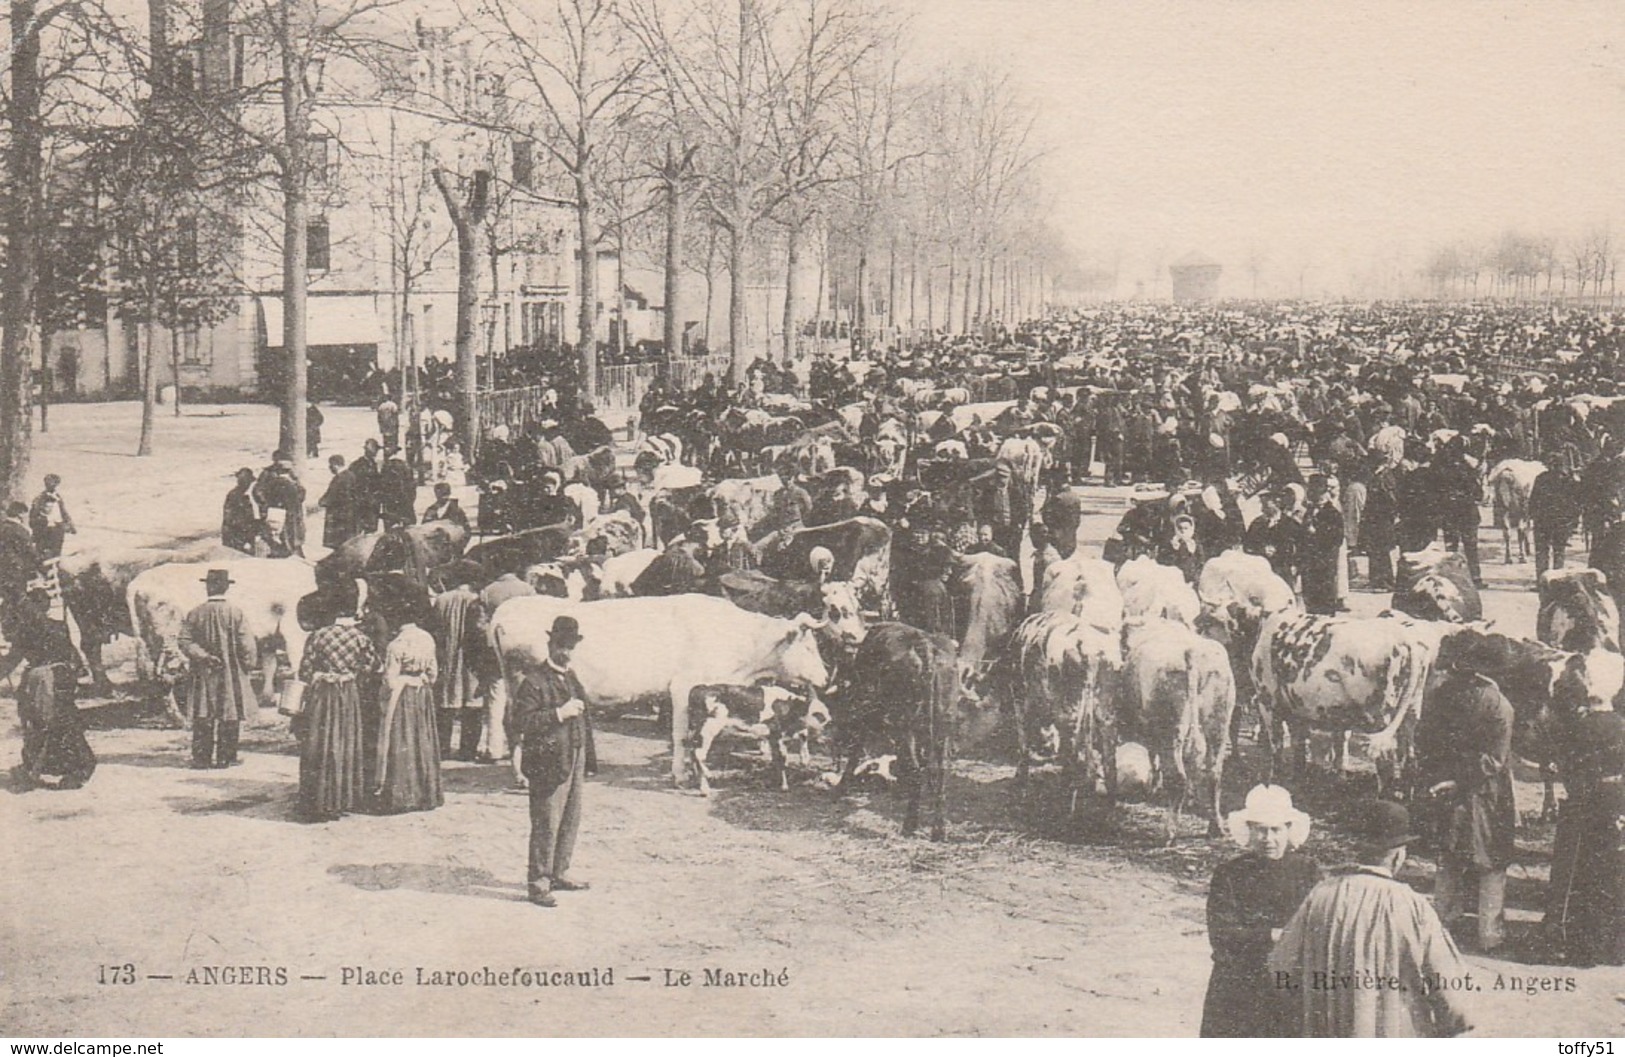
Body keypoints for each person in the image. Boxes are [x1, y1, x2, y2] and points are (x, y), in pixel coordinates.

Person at [1269, 800, 1477, 1038]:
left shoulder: (1319, 895)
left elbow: (1279, 967)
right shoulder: (1412, 905)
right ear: (1398, 856)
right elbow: (1454, 996)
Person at [1416, 637, 1516, 952]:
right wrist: (1462, 780)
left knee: (1448, 856)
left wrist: (1441, 777)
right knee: (1491, 861)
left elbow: (1424, 740)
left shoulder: (1440, 693)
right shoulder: (1498, 704)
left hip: (1443, 787)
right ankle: (1490, 934)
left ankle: (1441, 924)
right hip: (1486, 792)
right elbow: (1493, 759)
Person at [1200, 785, 1320, 1038]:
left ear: (1288, 830)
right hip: (1239, 982)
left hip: (1288, 982)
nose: (1268, 839)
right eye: (1261, 831)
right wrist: (1272, 935)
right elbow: (1221, 933)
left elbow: (1318, 925)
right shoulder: (1230, 873)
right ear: (1250, 831)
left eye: (1275, 830)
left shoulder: (1307, 871)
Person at [511, 615, 593, 907]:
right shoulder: (534, 681)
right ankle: (539, 883)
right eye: (561, 645)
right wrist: (559, 713)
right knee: (546, 821)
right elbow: (521, 721)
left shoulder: (571, 677)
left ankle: (560, 872)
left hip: (573, 757)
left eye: (570, 646)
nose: (566, 652)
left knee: (570, 818)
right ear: (550, 644)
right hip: (548, 762)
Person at [1541, 687, 1624, 966]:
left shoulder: (1578, 726)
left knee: (1575, 872)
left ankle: (1575, 944)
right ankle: (1613, 947)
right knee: (1612, 874)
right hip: (1615, 802)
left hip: (1581, 802)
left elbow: (1562, 764)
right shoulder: (1621, 725)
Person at [295, 580, 376, 822]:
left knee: (319, 743)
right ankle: (342, 799)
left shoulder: (319, 635)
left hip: (322, 695)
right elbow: (372, 666)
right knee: (346, 742)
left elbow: (305, 670)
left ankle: (317, 799)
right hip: (347, 693)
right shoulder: (361, 638)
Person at [15, 582, 95, 790]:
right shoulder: (53, 626)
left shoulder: (42, 628)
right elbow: (72, 653)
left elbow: (13, 658)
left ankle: (76, 768)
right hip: (51, 678)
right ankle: (42, 766)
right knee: (48, 723)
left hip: (52, 679)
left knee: (56, 723)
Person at [178, 569, 258, 769]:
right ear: (226, 587)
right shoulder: (235, 612)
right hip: (230, 673)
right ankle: (226, 758)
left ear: (208, 586)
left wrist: (203, 656)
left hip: (203, 672)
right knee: (229, 713)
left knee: (203, 712)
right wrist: (247, 666)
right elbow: (247, 644)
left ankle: (201, 759)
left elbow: (184, 641)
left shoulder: (195, 612)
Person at [372, 599, 443, 814]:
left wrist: (383, 700)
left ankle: (402, 794)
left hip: (402, 693)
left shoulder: (396, 645)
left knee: (401, 739)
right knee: (422, 738)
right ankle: (426, 791)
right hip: (421, 691)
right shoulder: (427, 638)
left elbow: (389, 678)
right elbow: (433, 672)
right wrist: (423, 682)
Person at [431, 569, 483, 761]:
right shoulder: (476, 599)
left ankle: (442, 748)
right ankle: (467, 751)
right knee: (473, 704)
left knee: (445, 701)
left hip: (447, 654)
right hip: (471, 658)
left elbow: (435, 627)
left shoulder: (441, 599)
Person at [1529, 453, 1584, 577]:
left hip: (1543, 521)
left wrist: (1532, 515)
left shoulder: (1541, 478)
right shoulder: (1570, 480)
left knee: (1542, 551)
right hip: (1562, 521)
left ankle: (1542, 580)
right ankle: (1556, 580)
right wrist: (1574, 521)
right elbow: (1577, 503)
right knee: (1559, 551)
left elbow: (1533, 500)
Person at [1300, 475, 1345, 615]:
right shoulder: (1309, 511)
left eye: (1314, 491)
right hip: (1309, 562)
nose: (1310, 493)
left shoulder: (1333, 513)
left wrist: (1317, 533)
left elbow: (1337, 538)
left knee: (1324, 597)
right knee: (1310, 598)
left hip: (1324, 563)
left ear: (1322, 491)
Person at [253, 450, 306, 557]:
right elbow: (257, 491)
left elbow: (301, 491)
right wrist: (266, 505)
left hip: (292, 510)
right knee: (278, 534)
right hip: (276, 511)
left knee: (294, 533)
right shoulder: (267, 473)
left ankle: (294, 552)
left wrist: (297, 499)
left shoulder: (291, 474)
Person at [27, 474, 75, 559]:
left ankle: (54, 569)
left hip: (57, 529)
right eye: (48, 482)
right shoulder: (39, 498)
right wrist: (38, 527)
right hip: (44, 529)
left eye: (54, 483)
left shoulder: (58, 497)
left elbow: (63, 511)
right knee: (43, 554)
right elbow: (33, 516)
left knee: (56, 553)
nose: (51, 485)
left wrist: (70, 524)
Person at [221, 468, 262, 554]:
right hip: (236, 534)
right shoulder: (235, 495)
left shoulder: (244, 495)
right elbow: (231, 518)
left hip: (241, 532)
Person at [318, 455, 354, 550]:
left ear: (336, 465)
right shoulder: (350, 476)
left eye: (331, 465)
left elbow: (332, 495)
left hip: (339, 514)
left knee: (338, 540)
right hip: (349, 513)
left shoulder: (340, 478)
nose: (330, 468)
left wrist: (322, 502)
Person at [379, 449, 417, 530]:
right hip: (406, 504)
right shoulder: (406, 465)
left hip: (391, 506)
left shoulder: (386, 466)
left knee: (391, 532)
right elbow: (412, 487)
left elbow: (382, 487)